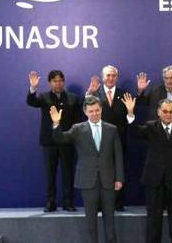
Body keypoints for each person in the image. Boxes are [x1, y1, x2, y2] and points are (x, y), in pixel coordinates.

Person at [50, 96, 124, 243]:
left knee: (110, 221)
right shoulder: (78, 129)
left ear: (101, 109)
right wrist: (56, 123)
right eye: (91, 111)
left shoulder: (112, 129)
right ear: (85, 112)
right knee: (90, 222)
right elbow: (60, 139)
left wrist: (119, 178)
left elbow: (118, 155)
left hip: (108, 180)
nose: (95, 114)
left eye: (97, 110)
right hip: (87, 181)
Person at [122, 93, 172, 243]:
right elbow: (135, 132)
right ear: (159, 112)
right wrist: (131, 113)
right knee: (154, 216)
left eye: (171, 112)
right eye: (165, 111)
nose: (168, 114)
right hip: (154, 179)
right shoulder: (151, 126)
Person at [26, 70, 79, 212]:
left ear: (64, 82)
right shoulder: (43, 97)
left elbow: (79, 118)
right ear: (50, 83)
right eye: (55, 81)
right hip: (49, 142)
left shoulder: (73, 98)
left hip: (67, 141)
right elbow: (31, 102)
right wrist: (33, 88)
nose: (58, 83)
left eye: (60, 80)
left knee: (68, 173)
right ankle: (51, 202)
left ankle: (68, 202)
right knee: (50, 173)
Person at [86, 65, 128, 211]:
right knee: (100, 171)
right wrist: (89, 94)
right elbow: (86, 112)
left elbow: (129, 118)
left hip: (119, 139)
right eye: (108, 75)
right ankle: (99, 204)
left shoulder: (124, 94)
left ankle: (118, 202)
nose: (111, 78)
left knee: (118, 169)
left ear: (117, 77)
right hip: (99, 139)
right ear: (103, 77)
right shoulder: (94, 94)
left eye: (113, 76)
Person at [136, 65, 172, 140]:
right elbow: (142, 103)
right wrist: (140, 91)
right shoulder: (156, 92)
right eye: (166, 78)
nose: (168, 81)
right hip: (157, 136)